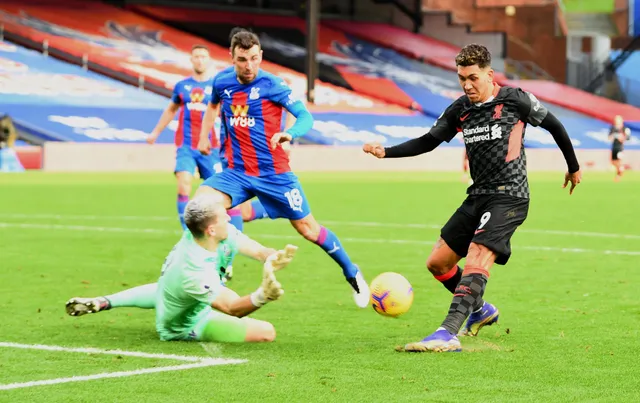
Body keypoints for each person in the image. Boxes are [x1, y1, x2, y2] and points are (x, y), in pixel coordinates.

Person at [363, 44, 582, 352]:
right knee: (438, 263)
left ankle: (447, 333)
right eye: (461, 78)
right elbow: (428, 141)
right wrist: (386, 151)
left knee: (478, 255)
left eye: (473, 77)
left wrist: (573, 167)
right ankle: (480, 310)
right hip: (477, 196)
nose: (467, 84)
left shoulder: (515, 100)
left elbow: (555, 126)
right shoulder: (460, 109)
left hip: (510, 195)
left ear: (489, 75)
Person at [194, 30, 370, 308]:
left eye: (254, 58)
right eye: (242, 59)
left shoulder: (273, 84)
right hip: (237, 172)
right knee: (202, 207)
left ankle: (352, 272)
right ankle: (217, 271)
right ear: (232, 57)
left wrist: (290, 134)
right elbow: (212, 106)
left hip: (274, 174)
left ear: (261, 56)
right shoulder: (222, 82)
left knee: (309, 229)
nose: (249, 65)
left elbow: (305, 116)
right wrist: (204, 136)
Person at [66, 194, 297, 343]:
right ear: (211, 230)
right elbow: (232, 308)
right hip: (184, 325)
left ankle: (105, 301)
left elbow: (257, 250)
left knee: (166, 289)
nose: (228, 217)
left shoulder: (207, 233)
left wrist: (272, 258)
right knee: (267, 332)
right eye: (223, 217)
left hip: (172, 290)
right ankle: (178, 328)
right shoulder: (194, 272)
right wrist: (261, 297)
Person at [146, 44, 222, 230]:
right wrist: (156, 132)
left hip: (210, 146)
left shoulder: (216, 86)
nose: (200, 60)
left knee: (218, 191)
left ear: (208, 60)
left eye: (203, 56)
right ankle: (187, 232)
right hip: (186, 145)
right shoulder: (182, 86)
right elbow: (171, 110)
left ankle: (217, 227)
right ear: (191, 59)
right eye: (196, 56)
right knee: (184, 184)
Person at [608, 114, 631, 182]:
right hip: (614, 147)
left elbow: (628, 138)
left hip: (620, 147)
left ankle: (619, 175)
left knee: (619, 161)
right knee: (613, 162)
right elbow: (609, 137)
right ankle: (621, 169)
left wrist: (623, 138)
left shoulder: (624, 129)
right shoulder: (613, 128)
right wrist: (613, 137)